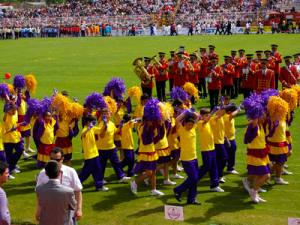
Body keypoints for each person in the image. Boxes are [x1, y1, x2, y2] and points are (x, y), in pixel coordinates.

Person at [36, 147, 83, 222]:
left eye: (57, 160)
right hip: (48, 212)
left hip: (67, 212)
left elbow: (78, 191)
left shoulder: (71, 172)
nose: (54, 162)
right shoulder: (43, 173)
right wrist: (38, 210)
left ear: (62, 159)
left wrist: (79, 209)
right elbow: (40, 195)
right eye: (52, 159)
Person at [94, 108, 130, 183]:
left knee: (116, 162)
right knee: (102, 165)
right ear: (102, 115)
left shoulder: (111, 123)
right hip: (102, 148)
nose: (107, 114)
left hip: (111, 147)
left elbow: (116, 132)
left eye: (108, 113)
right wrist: (104, 126)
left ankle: (121, 176)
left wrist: (120, 125)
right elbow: (101, 135)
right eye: (105, 113)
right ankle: (100, 179)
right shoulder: (101, 124)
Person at [36, 160, 76, 225]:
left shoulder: (39, 189)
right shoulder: (68, 191)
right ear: (60, 172)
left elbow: (40, 203)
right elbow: (73, 206)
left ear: (46, 173)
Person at [173, 111, 200, 204]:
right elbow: (176, 120)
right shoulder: (182, 130)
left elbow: (197, 116)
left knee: (194, 180)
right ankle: (178, 190)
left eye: (191, 125)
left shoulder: (193, 128)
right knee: (194, 178)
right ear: (185, 124)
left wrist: (191, 112)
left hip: (194, 158)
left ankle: (191, 199)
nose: (190, 126)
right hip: (186, 159)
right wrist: (185, 113)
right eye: (188, 124)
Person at [197, 108, 224, 192]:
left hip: (212, 148)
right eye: (206, 115)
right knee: (206, 167)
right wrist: (212, 113)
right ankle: (193, 180)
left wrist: (222, 107)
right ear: (201, 116)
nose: (208, 116)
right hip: (206, 149)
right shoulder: (200, 123)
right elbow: (207, 120)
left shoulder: (209, 121)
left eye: (208, 115)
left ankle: (214, 185)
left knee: (214, 167)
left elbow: (219, 115)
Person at [79, 115, 108, 191]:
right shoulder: (85, 129)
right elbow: (82, 135)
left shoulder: (92, 128)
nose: (94, 123)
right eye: (93, 122)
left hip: (95, 153)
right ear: (88, 122)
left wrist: (105, 123)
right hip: (89, 155)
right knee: (86, 172)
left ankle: (99, 186)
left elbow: (100, 130)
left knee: (97, 170)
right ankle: (77, 183)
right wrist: (88, 129)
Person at [3, 103, 25, 178]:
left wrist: (20, 124)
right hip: (7, 139)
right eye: (13, 110)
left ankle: (12, 166)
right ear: (8, 110)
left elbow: (14, 124)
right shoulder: (6, 116)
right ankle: (10, 169)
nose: (15, 112)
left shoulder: (15, 114)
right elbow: (8, 130)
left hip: (15, 137)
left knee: (20, 150)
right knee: (9, 155)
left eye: (15, 110)